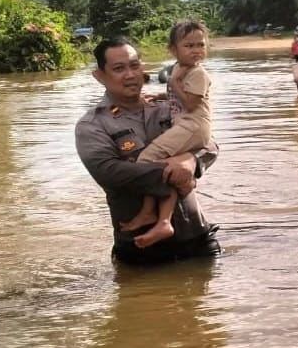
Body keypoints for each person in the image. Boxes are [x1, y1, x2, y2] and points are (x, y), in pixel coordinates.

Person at [75, 36, 221, 264]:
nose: (130, 74)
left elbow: (209, 143)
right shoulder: (92, 125)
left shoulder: (169, 107)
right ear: (99, 76)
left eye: (134, 65)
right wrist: (170, 171)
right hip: (141, 248)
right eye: (119, 68)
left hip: (197, 238)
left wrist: (192, 161)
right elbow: (109, 172)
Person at [118, 20, 214, 249]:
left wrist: (173, 81)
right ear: (174, 49)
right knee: (163, 167)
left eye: (200, 45)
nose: (196, 50)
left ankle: (149, 212)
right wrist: (161, 95)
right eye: (189, 45)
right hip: (186, 126)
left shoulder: (197, 73)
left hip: (193, 126)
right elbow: (177, 96)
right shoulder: (180, 69)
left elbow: (190, 103)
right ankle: (162, 220)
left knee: (145, 160)